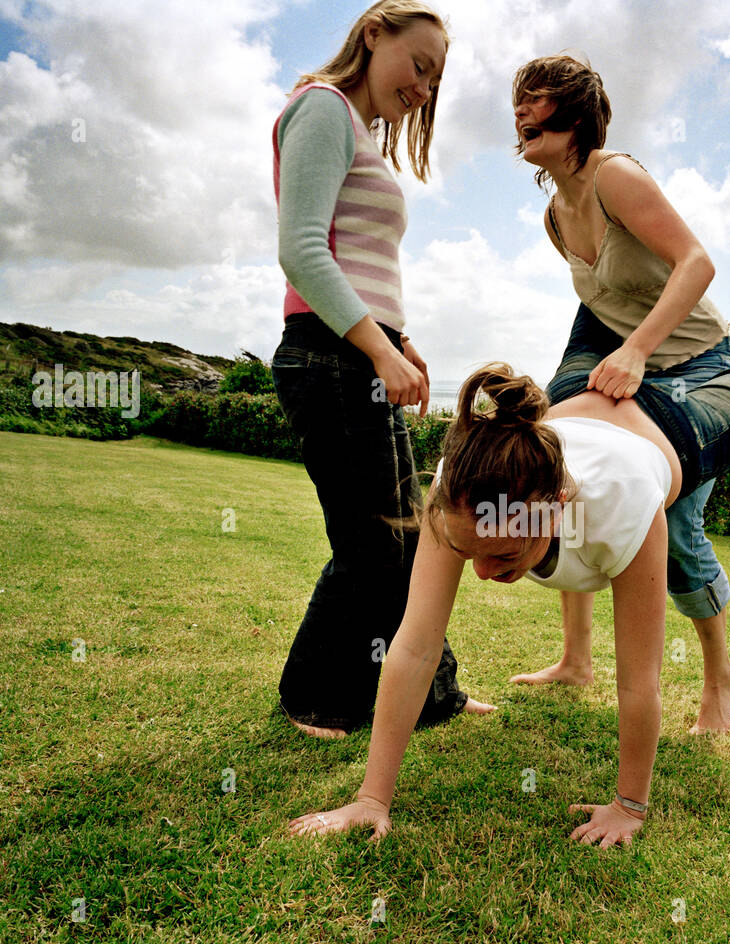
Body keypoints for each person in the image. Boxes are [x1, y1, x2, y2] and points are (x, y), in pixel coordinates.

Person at [289, 233, 730, 848]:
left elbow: (639, 681)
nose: (482, 572)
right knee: (599, 292)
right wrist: (372, 798)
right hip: (580, 394)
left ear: (557, 507)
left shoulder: (622, 512)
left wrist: (629, 805)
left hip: (673, 429)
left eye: (504, 556)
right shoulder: (459, 500)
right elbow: (413, 647)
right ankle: (595, 228)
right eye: (474, 551)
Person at [270, 1, 492, 739]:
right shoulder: (322, 108)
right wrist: (377, 346)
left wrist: (401, 340)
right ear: (374, 34)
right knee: (370, 544)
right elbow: (302, 250)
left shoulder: (357, 131)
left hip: (358, 352)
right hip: (329, 360)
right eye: (418, 65)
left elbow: (356, 258)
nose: (424, 88)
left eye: (436, 80)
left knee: (408, 535)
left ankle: (436, 694)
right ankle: (311, 694)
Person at [505, 55, 730, 735]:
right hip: (630, 362)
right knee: (561, 475)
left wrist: (638, 351)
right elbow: (604, 300)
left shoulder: (617, 177)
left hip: (700, 365)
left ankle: (719, 676)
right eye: (517, 102)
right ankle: (576, 659)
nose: (521, 114)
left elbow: (697, 263)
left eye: (536, 101)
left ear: (575, 117)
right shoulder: (556, 213)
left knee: (675, 531)